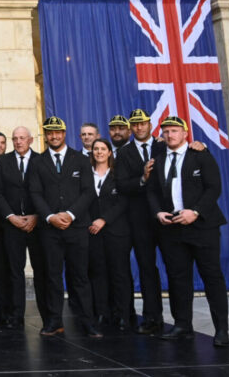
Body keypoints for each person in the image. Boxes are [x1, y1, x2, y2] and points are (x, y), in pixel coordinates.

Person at [146, 115, 229, 346]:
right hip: (172, 229)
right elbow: (152, 191)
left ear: (184, 134)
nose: (170, 135)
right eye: (166, 131)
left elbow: (214, 188)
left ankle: (221, 329)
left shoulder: (200, 155)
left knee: (212, 278)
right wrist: (158, 212)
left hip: (203, 227)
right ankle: (183, 325)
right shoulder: (159, 158)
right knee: (178, 279)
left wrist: (196, 211)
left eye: (174, 130)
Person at [29, 116, 100, 338]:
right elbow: (35, 194)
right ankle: (54, 321)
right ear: (46, 135)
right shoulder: (38, 162)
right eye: (50, 132)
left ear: (64, 133)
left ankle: (87, 322)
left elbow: (88, 191)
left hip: (77, 227)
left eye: (57, 132)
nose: (54, 136)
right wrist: (50, 216)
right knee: (52, 277)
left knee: (80, 276)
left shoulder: (80, 159)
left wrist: (70, 214)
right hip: (49, 230)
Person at [114, 108, 164, 334]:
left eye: (142, 123)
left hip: (165, 217)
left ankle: (182, 322)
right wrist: (142, 179)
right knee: (146, 268)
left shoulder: (164, 145)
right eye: (135, 124)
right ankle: (152, 317)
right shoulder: (124, 153)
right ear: (130, 128)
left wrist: (197, 145)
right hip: (139, 219)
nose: (139, 127)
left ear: (149, 124)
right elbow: (122, 185)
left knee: (175, 269)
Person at [0, 126, 48, 329]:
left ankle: (47, 315)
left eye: (22, 138)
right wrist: (11, 217)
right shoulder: (4, 161)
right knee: (14, 272)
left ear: (31, 140)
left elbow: (46, 192)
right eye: (15, 138)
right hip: (12, 226)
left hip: (37, 225)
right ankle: (16, 315)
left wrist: (36, 216)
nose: (18, 142)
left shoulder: (41, 160)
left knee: (40, 270)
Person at [87, 138, 132, 330]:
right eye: (96, 149)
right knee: (98, 273)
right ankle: (102, 313)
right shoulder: (86, 174)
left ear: (110, 152)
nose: (99, 152)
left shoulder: (117, 174)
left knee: (119, 273)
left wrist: (103, 219)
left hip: (116, 230)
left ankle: (122, 314)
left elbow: (123, 201)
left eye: (103, 149)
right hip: (92, 232)